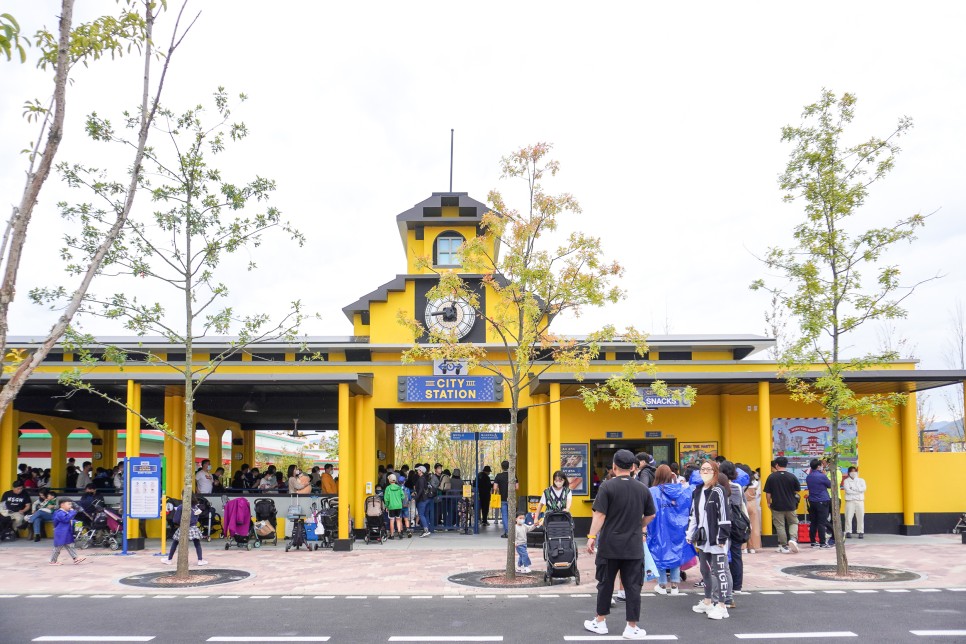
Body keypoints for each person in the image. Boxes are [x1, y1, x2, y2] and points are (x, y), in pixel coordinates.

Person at [583, 449, 656, 640]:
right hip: (633, 546)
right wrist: (638, 526)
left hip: (609, 545)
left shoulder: (607, 487)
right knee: (632, 586)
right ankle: (631, 627)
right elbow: (651, 514)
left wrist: (591, 536)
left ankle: (600, 622)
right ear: (633, 467)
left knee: (605, 584)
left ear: (614, 467)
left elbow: (599, 514)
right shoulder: (642, 488)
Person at [687, 460, 733, 620]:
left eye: (708, 469)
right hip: (702, 538)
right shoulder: (698, 490)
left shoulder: (719, 491)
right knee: (705, 570)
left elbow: (725, 516)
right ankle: (707, 601)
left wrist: (722, 536)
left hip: (717, 538)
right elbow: (693, 515)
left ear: (715, 471)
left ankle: (722, 605)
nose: (705, 471)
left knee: (719, 571)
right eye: (702, 469)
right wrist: (690, 533)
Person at [647, 464, 692, 596]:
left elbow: (648, 511)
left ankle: (661, 584)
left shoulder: (652, 491)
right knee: (676, 554)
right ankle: (674, 585)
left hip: (658, 529)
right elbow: (688, 501)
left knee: (659, 554)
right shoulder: (679, 491)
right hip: (677, 529)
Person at [718, 461, 747, 606]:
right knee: (736, 553)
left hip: (723, 524)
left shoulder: (719, 487)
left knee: (722, 554)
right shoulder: (738, 487)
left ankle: (724, 585)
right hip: (737, 525)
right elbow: (743, 506)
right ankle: (737, 586)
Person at [763, 456, 800, 554]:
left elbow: (768, 493)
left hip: (777, 505)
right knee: (793, 522)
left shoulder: (771, 477)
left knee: (780, 526)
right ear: (786, 465)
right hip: (791, 504)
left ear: (776, 465)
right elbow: (797, 490)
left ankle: (783, 546)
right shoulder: (792, 476)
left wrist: (768, 502)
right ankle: (793, 539)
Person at [165, 494, 209, 566]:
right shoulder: (195, 507)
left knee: (175, 542)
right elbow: (196, 518)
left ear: (183, 496)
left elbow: (175, 520)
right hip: (193, 528)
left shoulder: (180, 507)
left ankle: (169, 559)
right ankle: (200, 560)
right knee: (197, 544)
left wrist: (180, 522)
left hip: (183, 527)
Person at [805, 458, 832, 548]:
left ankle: (813, 541)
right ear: (818, 466)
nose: (822, 467)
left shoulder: (808, 476)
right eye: (821, 465)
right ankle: (822, 543)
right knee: (821, 523)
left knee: (813, 522)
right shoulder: (821, 476)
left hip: (812, 501)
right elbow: (830, 485)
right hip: (822, 500)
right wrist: (825, 475)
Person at [49, 499, 85, 565]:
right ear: (62, 505)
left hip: (67, 532)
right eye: (69, 504)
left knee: (70, 546)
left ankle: (75, 558)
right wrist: (73, 511)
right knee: (58, 548)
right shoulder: (59, 513)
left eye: (71, 504)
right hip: (61, 533)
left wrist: (76, 522)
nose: (70, 506)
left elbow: (70, 520)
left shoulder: (66, 513)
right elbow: (66, 519)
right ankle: (53, 561)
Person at [493, 460, 516, 538]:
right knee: (512, 515)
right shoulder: (513, 475)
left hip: (503, 498)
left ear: (502, 467)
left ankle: (507, 532)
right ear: (509, 466)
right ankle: (513, 532)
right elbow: (517, 487)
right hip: (511, 498)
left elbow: (495, 488)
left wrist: (499, 487)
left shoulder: (498, 476)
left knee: (505, 516)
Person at [742, 466, 762, 554]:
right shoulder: (755, 483)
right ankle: (753, 547)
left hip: (743, 504)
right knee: (754, 526)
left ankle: (744, 547)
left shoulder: (741, 482)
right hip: (753, 504)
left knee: (743, 526)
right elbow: (758, 494)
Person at [844, 466, 866, 538]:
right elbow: (848, 491)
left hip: (860, 501)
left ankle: (860, 531)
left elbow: (863, 489)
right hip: (850, 501)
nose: (853, 473)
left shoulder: (861, 480)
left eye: (854, 471)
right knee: (848, 517)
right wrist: (858, 491)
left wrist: (853, 488)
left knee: (860, 516)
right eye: (851, 471)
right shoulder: (846, 481)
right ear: (849, 473)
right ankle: (848, 531)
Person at [414, 465, 434, 537]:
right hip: (426, 499)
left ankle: (426, 530)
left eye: (418, 470)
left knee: (421, 514)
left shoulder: (421, 479)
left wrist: (416, 497)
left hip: (422, 499)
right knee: (425, 514)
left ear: (421, 471)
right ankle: (426, 529)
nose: (417, 471)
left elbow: (421, 489)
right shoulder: (424, 478)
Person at [384, 473, 405, 539]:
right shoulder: (399, 487)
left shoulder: (388, 488)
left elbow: (386, 498)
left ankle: (392, 535)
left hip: (391, 506)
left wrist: (387, 506)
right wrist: (399, 500)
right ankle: (399, 532)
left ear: (389, 480)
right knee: (398, 519)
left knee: (392, 520)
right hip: (398, 506)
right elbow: (403, 496)